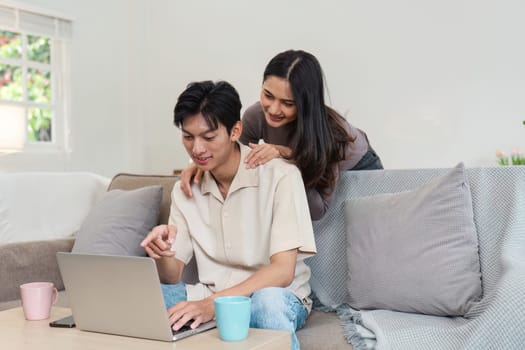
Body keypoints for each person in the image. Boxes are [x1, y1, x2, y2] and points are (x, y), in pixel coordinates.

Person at [140, 80, 317, 350]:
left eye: (208, 137)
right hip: (208, 292)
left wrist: (212, 305)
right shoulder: (185, 189)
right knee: (144, 301)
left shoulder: (280, 176)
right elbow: (172, 275)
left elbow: (282, 272)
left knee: (267, 304)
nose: (197, 149)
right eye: (188, 137)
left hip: (273, 295)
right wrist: (161, 253)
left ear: (236, 130)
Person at [180, 49, 383, 220]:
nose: (274, 109)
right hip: (308, 164)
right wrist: (199, 165)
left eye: (288, 103)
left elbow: (317, 210)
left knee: (359, 224)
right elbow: (232, 157)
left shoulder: (330, 135)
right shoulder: (256, 116)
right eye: (268, 95)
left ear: (305, 104)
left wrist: (286, 155)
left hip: (359, 166)